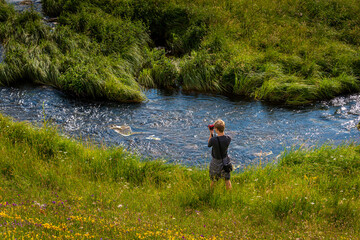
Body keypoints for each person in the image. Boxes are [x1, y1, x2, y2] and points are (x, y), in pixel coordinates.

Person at [208, 119, 232, 190]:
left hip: (215, 162)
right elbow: (222, 138)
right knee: (227, 180)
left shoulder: (213, 139)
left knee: (214, 179)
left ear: (216, 129)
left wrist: (211, 133)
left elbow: (209, 144)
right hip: (225, 161)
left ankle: (211, 193)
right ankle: (229, 194)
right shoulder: (228, 138)